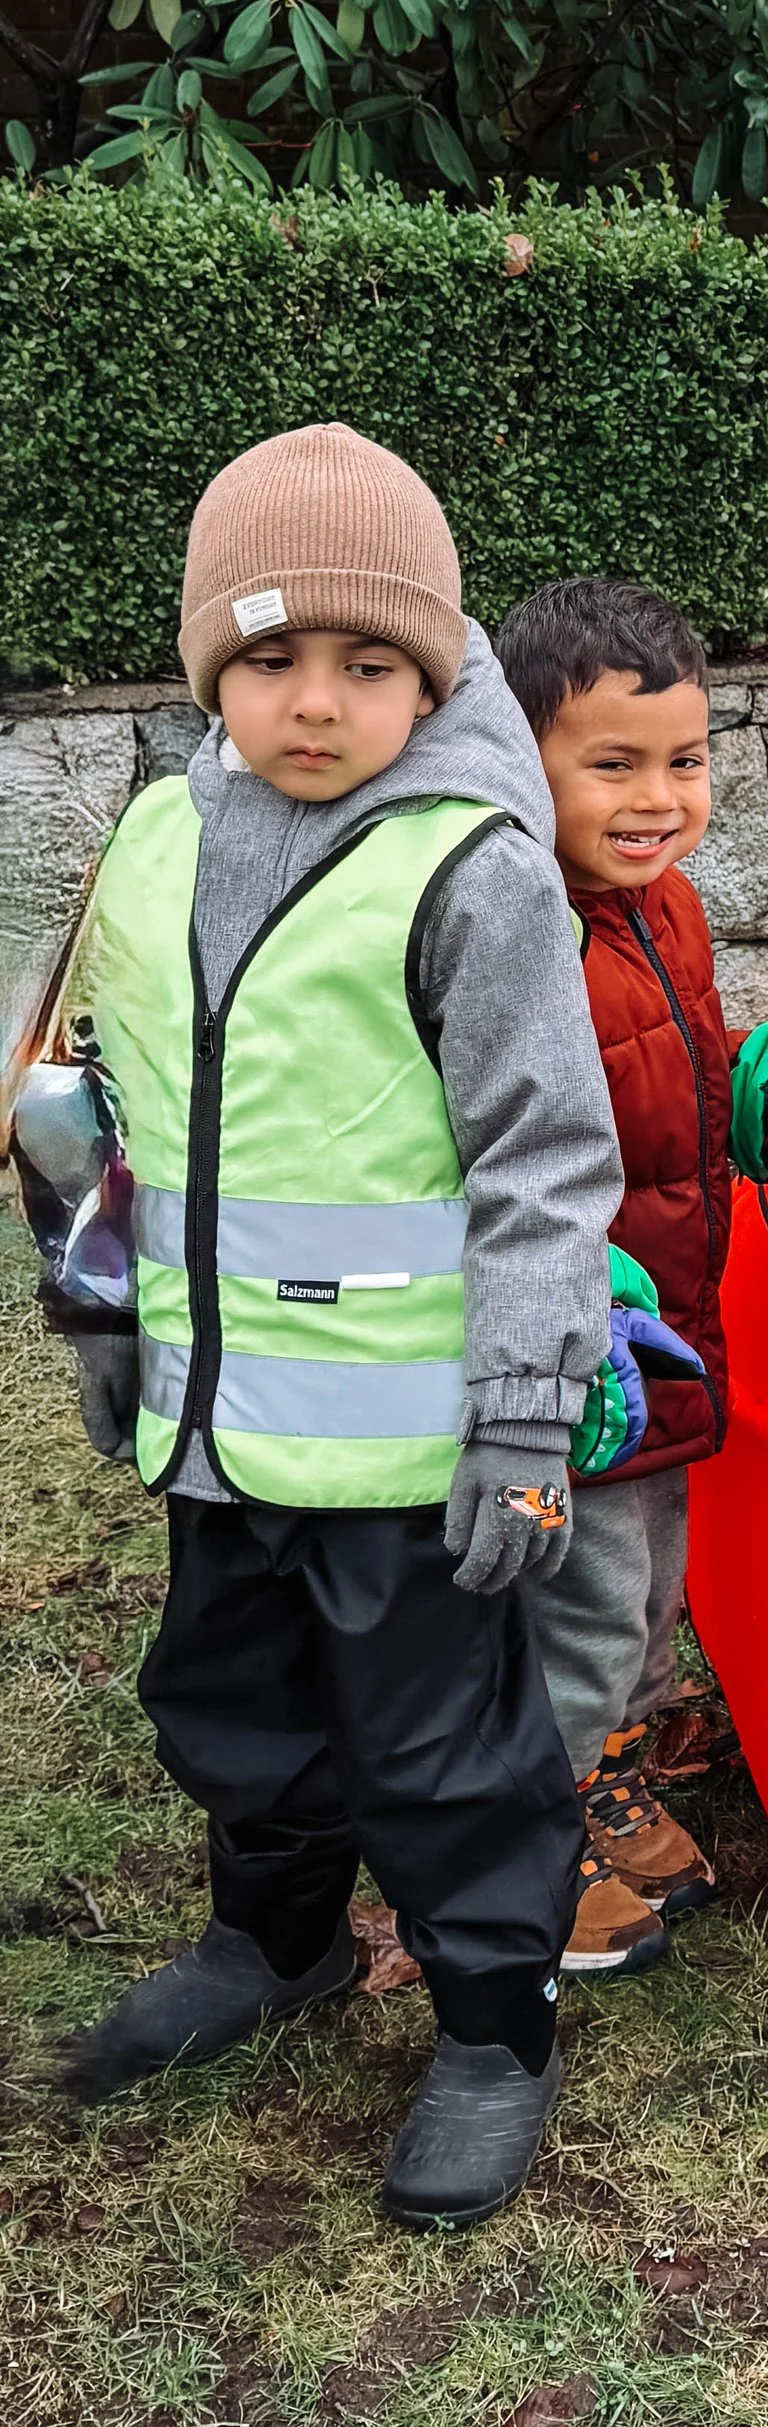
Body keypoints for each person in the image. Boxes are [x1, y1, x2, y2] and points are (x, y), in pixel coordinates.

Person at [47, 424, 621, 2224]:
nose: (317, 701)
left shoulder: (472, 868)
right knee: (232, 1705)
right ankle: (272, 1939)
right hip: (217, 1423)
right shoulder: (155, 834)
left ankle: (490, 2025)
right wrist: (101, 1316)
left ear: (429, 671)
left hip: (408, 1443)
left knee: (442, 1751)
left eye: (368, 663)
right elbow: (86, 1101)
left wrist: (524, 1416)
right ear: (216, 662)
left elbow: (547, 1159)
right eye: (274, 657)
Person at [497, 575, 768, 1955]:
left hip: (676, 1315)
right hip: (578, 1342)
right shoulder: (514, 936)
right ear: (520, 759)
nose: (657, 797)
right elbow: (487, 1155)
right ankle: (534, 1844)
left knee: (648, 1577)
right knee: (585, 1594)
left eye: (684, 761)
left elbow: (675, 1065)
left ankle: (611, 1762)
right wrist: (587, 1302)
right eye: (610, 765)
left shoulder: (662, 907)